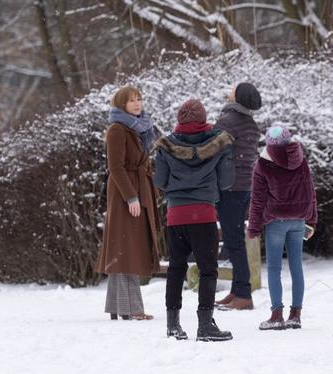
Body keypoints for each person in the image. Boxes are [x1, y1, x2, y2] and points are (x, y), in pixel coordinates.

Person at [153, 99, 235, 341]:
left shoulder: (166, 146)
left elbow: (159, 181)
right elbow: (226, 182)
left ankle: (173, 325)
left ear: (179, 119)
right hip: (204, 214)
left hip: (176, 215)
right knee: (208, 270)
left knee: (176, 269)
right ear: (203, 119)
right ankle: (205, 325)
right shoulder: (218, 144)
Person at [95, 85, 162, 321]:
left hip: (139, 189)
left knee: (127, 247)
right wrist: (131, 196)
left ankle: (120, 306)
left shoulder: (140, 128)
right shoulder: (117, 129)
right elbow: (116, 167)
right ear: (121, 104)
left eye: (139, 99)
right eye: (132, 100)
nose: (137, 103)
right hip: (126, 194)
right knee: (125, 248)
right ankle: (131, 308)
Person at [247, 125, 317, 330]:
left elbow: (257, 201)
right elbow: (310, 192)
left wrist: (254, 227)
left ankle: (276, 314)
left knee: (275, 268)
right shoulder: (301, 160)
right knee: (296, 266)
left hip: (276, 221)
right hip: (298, 221)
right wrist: (311, 218)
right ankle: (295, 315)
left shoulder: (263, 164)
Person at [214, 82, 262, 310]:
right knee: (236, 239)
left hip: (230, 187)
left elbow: (213, 149)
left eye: (233, 89)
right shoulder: (251, 124)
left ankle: (244, 294)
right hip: (244, 186)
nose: (229, 90)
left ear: (238, 97)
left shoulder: (227, 122)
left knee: (233, 241)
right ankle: (237, 289)